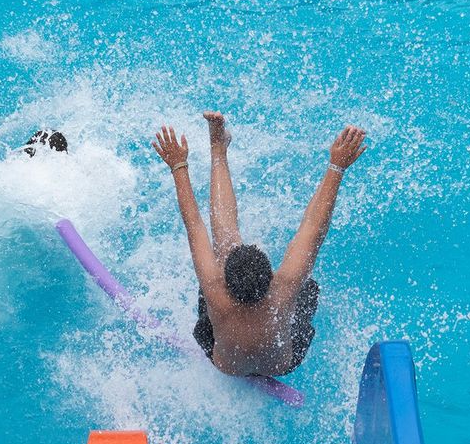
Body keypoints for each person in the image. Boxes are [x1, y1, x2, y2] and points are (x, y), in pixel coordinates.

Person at [151, 112, 367, 377]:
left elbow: (194, 224)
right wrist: (337, 167)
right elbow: (313, 227)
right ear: (271, 279)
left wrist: (178, 165)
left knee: (225, 242)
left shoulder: (215, 290)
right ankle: (218, 149)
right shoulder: (284, 289)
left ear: (226, 282)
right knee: (307, 288)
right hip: (281, 364)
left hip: (225, 365)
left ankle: (218, 151)